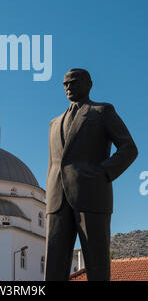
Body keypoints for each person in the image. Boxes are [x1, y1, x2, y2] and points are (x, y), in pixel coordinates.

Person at [45, 68, 138, 281]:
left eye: (74, 82)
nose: (68, 86)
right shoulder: (54, 123)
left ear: (88, 84)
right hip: (57, 200)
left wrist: (103, 173)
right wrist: (48, 195)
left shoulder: (101, 111)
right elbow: (53, 163)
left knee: (96, 263)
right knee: (53, 266)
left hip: (92, 194)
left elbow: (129, 148)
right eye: (65, 84)